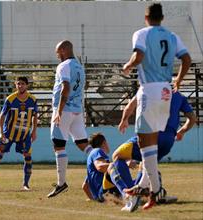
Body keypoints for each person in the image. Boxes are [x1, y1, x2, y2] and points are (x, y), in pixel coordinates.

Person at [121, 3, 191, 209]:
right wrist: (178, 79)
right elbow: (186, 59)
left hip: (149, 89)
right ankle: (143, 185)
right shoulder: (172, 35)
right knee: (151, 141)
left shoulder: (141, 34)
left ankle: (155, 188)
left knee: (144, 142)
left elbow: (139, 56)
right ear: (162, 18)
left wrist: (128, 65)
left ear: (146, 17)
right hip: (166, 90)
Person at [116, 91, 196, 207]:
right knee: (148, 165)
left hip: (152, 134)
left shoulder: (148, 87)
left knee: (118, 156)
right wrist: (182, 132)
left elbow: (130, 106)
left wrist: (124, 120)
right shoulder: (179, 96)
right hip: (168, 140)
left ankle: (133, 193)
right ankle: (153, 194)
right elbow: (192, 118)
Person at [47, 40, 93, 198]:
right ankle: (106, 166)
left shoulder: (64, 66)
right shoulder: (79, 66)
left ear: (64, 50)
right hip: (77, 111)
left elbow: (65, 87)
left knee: (59, 146)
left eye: (58, 52)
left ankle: (61, 183)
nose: (57, 55)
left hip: (64, 110)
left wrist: (59, 111)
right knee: (83, 145)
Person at [0, 76, 38, 191]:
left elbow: (35, 115)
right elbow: (2, 116)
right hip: (8, 134)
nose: (20, 86)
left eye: (23, 84)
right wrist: (1, 133)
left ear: (27, 85)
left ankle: (26, 184)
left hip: (24, 135)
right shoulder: (10, 99)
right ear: (15, 85)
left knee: (28, 157)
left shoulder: (32, 100)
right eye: (18, 84)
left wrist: (34, 131)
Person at [82, 133, 140, 212]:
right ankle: (127, 194)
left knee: (139, 184)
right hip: (105, 191)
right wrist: (116, 164)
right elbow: (100, 166)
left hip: (103, 195)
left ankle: (139, 194)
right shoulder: (97, 151)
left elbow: (84, 186)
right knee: (118, 163)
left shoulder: (92, 160)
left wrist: (95, 199)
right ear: (104, 143)